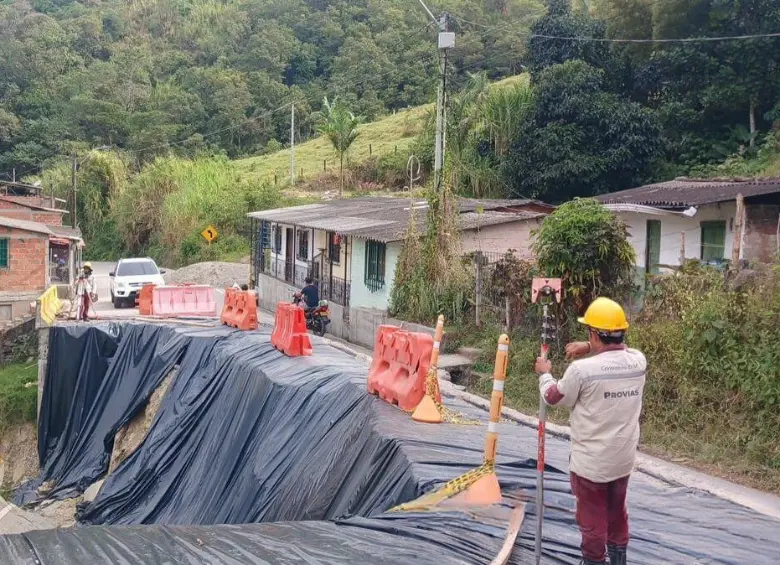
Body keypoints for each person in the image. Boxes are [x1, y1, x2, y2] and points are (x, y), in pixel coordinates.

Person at [534, 297, 646, 565]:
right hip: (623, 458)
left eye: (590, 333)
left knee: (592, 519)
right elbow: (621, 353)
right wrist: (590, 345)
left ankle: (594, 561)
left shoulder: (581, 371)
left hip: (592, 464)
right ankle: (619, 559)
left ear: (595, 334)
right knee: (617, 511)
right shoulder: (639, 362)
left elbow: (553, 396)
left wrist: (544, 373)